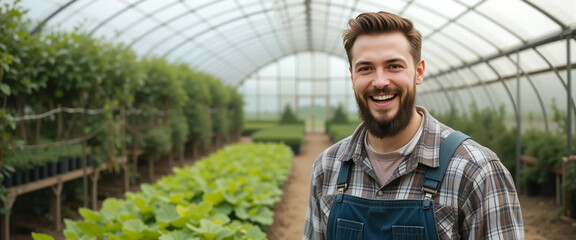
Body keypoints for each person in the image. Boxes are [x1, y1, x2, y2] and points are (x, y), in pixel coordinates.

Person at [302, 11, 524, 239]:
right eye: (365, 68)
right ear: (352, 78)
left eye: (394, 66)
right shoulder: (327, 167)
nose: (380, 82)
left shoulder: (475, 170)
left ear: (418, 72)